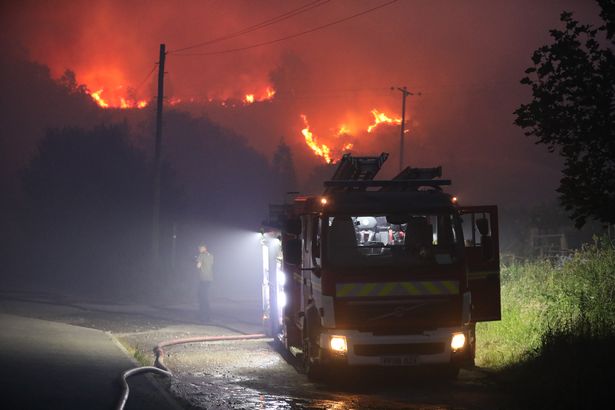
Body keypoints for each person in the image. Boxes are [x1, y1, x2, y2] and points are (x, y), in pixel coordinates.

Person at [196, 243, 214, 322]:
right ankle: (208, 316)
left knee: (202, 297)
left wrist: (197, 262)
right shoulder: (211, 255)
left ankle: (203, 316)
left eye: (200, 248)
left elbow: (198, 266)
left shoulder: (201, 255)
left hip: (203, 279)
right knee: (206, 297)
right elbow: (210, 264)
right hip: (209, 279)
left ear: (204, 248)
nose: (199, 250)